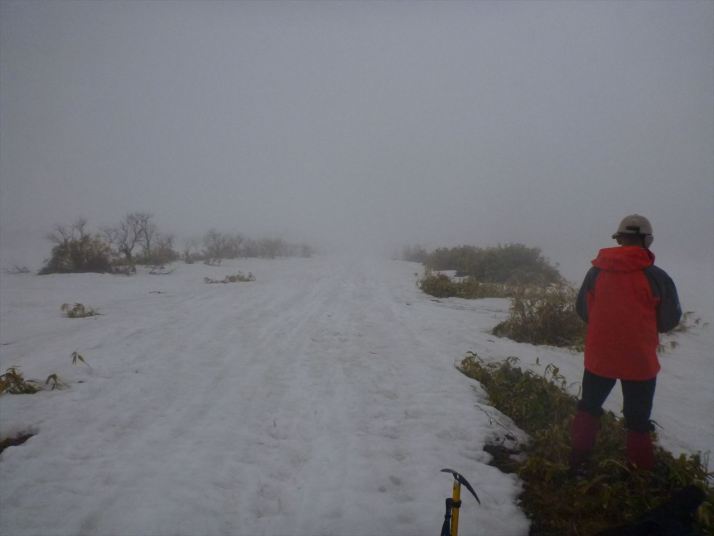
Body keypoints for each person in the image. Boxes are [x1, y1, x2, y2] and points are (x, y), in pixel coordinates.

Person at [571, 214, 682, 471]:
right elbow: (669, 320)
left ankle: (577, 462)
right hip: (639, 361)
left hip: (599, 358)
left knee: (588, 407)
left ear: (619, 239)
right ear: (647, 240)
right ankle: (640, 476)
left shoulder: (595, 272)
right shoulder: (657, 277)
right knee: (638, 421)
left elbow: (583, 310)